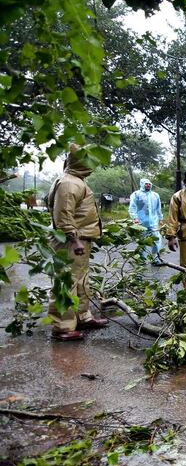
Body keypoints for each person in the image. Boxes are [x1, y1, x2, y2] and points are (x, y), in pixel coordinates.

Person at [46, 145, 108, 341]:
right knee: (66, 282)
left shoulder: (75, 180)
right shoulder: (69, 183)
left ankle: (82, 317)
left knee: (81, 281)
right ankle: (62, 327)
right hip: (69, 241)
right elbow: (63, 216)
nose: (94, 165)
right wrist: (74, 240)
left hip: (78, 239)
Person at [128, 178, 163, 262]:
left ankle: (156, 259)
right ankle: (141, 259)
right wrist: (135, 218)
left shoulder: (155, 195)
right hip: (141, 222)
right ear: (142, 184)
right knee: (142, 241)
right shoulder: (136, 194)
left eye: (149, 184)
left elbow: (158, 208)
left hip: (153, 221)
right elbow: (132, 207)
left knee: (156, 239)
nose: (148, 185)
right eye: (146, 184)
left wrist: (160, 218)